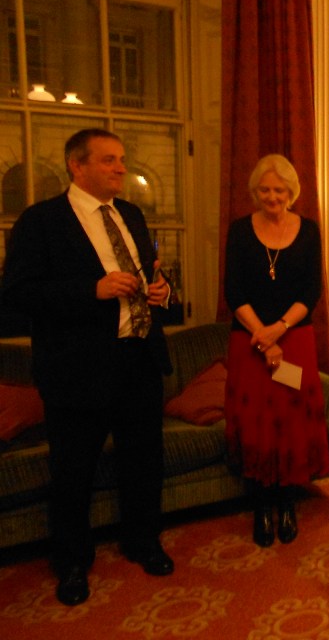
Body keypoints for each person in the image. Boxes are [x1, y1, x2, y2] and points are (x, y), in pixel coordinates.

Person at [1, 128, 174, 606]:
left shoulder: (131, 214)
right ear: (77, 166)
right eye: (109, 160)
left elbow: (149, 272)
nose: (121, 168)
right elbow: (17, 295)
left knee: (144, 461)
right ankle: (72, 561)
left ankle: (143, 540)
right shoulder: (41, 221)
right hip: (78, 370)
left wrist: (160, 291)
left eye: (121, 159)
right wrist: (91, 290)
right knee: (73, 471)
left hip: (139, 359)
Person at [224, 153, 329, 547]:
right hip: (249, 342)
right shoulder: (239, 230)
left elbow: (311, 291)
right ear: (256, 191)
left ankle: (287, 504)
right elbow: (234, 291)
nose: (273, 197)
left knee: (291, 421)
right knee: (256, 423)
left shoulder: (309, 231)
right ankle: (261, 507)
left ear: (292, 192)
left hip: (295, 340)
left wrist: (279, 329)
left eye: (280, 190)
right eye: (265, 190)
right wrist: (263, 336)